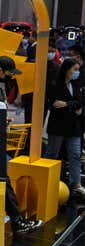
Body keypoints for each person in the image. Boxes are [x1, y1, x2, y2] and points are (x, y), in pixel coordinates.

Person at [0, 56, 44, 234]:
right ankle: (17, 221)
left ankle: (13, 220)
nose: (11, 77)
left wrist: (2, 120)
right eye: (9, 73)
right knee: (1, 181)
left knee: (1, 181)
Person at [44, 58, 85, 198]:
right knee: (52, 155)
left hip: (74, 126)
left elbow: (80, 103)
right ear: (66, 70)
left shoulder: (77, 84)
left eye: (78, 69)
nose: (77, 72)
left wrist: (67, 105)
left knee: (75, 155)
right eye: (75, 69)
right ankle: (48, 180)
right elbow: (55, 105)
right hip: (57, 126)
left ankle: (76, 184)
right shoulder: (55, 84)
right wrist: (74, 106)